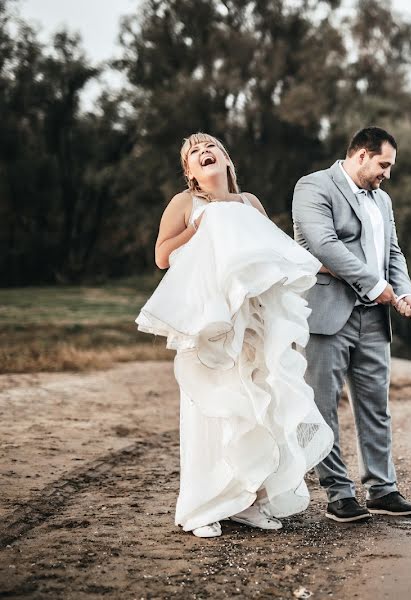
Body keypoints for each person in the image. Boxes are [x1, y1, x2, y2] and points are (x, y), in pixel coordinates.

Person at [137, 133, 333, 538]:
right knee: (212, 412)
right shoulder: (185, 204)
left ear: (227, 159)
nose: (204, 152)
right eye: (194, 152)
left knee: (258, 407)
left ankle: (250, 501)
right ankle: (203, 507)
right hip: (211, 327)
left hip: (253, 323)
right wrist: (203, 226)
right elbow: (161, 256)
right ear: (189, 172)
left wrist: (321, 268)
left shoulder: (250, 203)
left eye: (212, 147)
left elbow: (272, 251)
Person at [292, 126, 411, 523]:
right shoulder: (313, 187)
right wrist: (375, 283)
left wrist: (404, 290)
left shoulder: (383, 200)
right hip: (327, 313)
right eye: (384, 164)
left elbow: (393, 250)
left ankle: (382, 491)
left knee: (376, 407)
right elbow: (323, 244)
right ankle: (338, 494)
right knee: (322, 406)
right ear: (361, 155)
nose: (387, 173)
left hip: (374, 318)